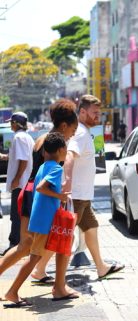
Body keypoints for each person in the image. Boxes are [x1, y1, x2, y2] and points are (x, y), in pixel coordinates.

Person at [0, 100, 79, 286]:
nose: (73, 134)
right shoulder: (56, 146)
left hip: (29, 193)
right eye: (73, 129)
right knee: (32, 245)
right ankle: (56, 286)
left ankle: (51, 281)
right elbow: (49, 179)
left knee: (26, 246)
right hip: (35, 197)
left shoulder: (43, 138)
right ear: (64, 126)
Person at [63, 95, 125, 279]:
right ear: (82, 112)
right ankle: (40, 269)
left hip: (82, 196)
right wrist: (67, 182)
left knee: (91, 227)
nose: (98, 116)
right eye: (95, 112)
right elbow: (69, 155)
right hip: (76, 196)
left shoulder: (83, 131)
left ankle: (100, 267)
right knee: (64, 235)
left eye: (99, 113)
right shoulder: (81, 133)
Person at [0, 112, 34, 254]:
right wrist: (5, 157)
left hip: (21, 184)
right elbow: (19, 157)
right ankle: (21, 244)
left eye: (11, 122)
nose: (10, 124)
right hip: (25, 183)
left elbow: (24, 160)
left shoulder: (19, 137)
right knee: (22, 214)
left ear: (15, 123)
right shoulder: (26, 136)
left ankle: (15, 245)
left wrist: (16, 179)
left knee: (16, 215)